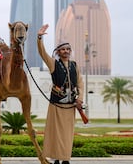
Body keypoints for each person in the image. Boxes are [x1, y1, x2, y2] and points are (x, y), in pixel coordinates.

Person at [37, 24, 84, 164]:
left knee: (67, 134)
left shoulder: (75, 65)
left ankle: (65, 159)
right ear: (58, 52)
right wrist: (39, 37)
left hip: (70, 106)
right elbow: (42, 53)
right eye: (63, 49)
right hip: (57, 105)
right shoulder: (53, 64)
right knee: (56, 133)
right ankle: (56, 158)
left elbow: (80, 83)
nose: (66, 51)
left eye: (68, 49)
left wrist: (80, 99)